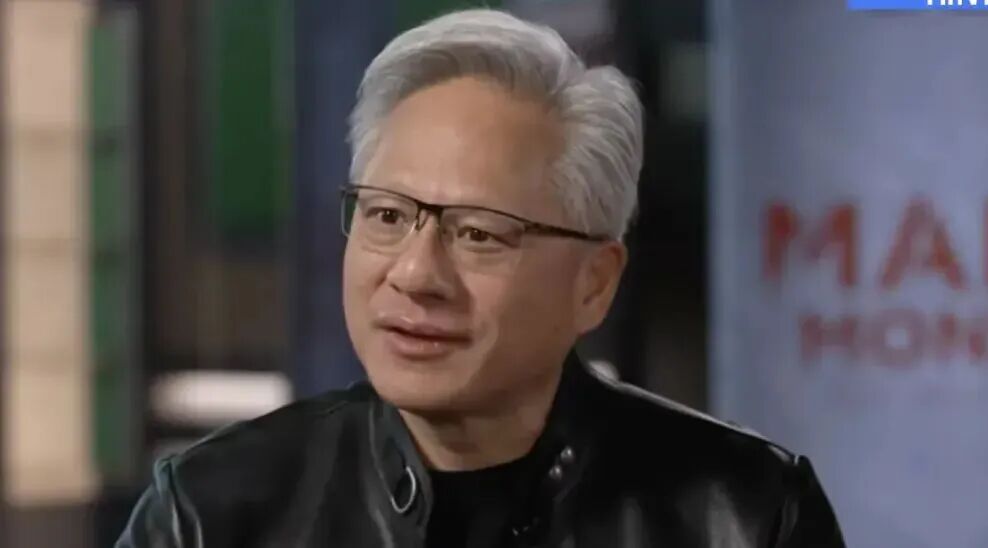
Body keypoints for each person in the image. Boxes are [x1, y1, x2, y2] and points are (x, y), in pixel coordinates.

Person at [117, 8, 845, 547]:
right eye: (387, 215)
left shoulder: (747, 517)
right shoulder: (210, 517)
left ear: (594, 283)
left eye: (478, 233)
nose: (415, 274)